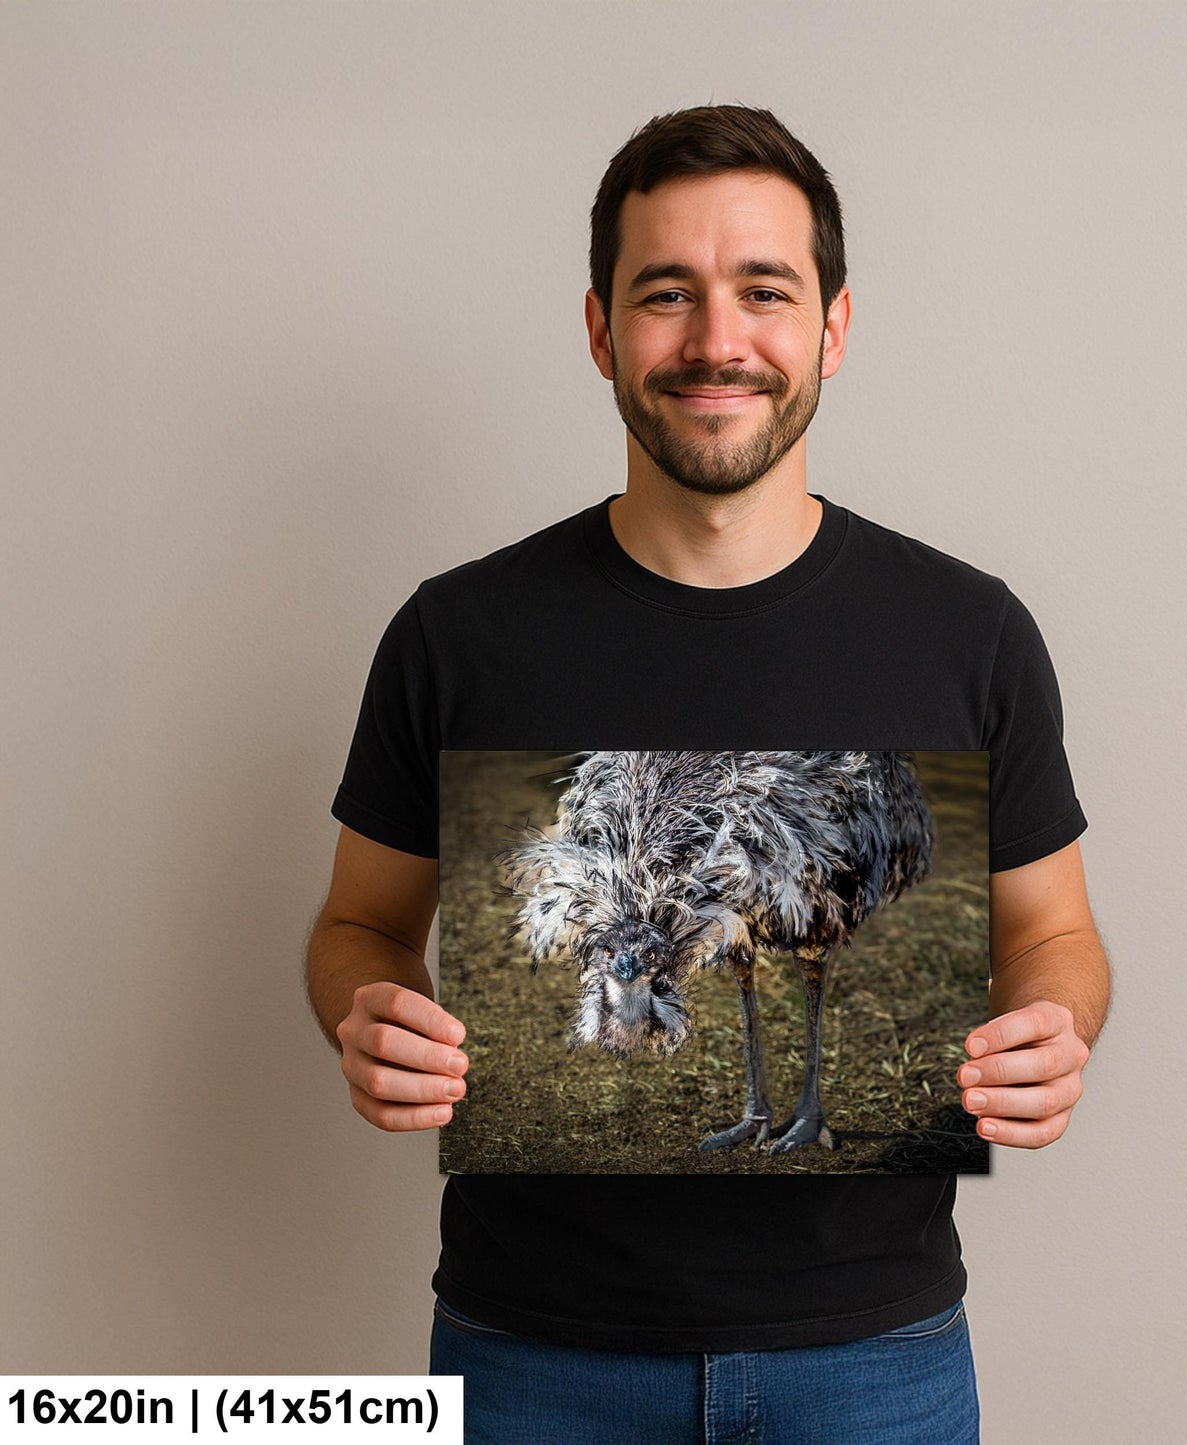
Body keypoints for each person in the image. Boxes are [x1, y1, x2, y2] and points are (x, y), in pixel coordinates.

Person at [306, 104, 1110, 1443]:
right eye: (666, 293)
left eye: (763, 291)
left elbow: (1059, 935)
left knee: (773, 947)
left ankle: (773, 1103)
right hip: (531, 1357)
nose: (715, 339)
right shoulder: (461, 634)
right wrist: (370, 1010)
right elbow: (357, 923)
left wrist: (1052, 1027)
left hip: (873, 1354)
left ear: (831, 329)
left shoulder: (968, 633)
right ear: (600, 329)